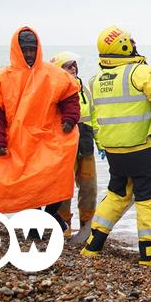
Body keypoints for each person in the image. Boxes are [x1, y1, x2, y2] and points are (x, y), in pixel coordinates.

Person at [81, 26, 151, 267]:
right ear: (123, 46)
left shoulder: (94, 82)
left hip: (115, 153)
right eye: (130, 41)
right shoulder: (140, 72)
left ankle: (92, 246)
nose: (133, 44)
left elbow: (94, 118)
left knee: (116, 196)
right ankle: (149, 256)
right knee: (149, 199)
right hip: (144, 151)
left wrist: (102, 145)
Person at [0, 28, 80, 227]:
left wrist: (70, 118)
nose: (29, 54)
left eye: (32, 49)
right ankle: (34, 223)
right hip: (17, 140)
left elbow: (70, 97)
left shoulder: (55, 74)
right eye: (25, 50)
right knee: (26, 184)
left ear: (38, 49)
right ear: (16, 50)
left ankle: (51, 215)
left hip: (50, 137)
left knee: (56, 177)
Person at [50, 52, 99, 238]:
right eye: (68, 65)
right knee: (63, 188)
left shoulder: (84, 89)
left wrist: (100, 143)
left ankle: (87, 227)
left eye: (74, 65)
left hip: (85, 144)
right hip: (63, 147)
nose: (73, 69)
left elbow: (93, 116)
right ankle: (64, 227)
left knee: (89, 188)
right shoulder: (53, 91)